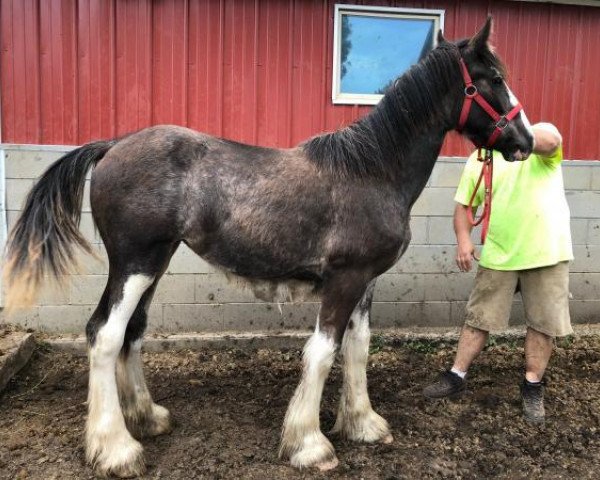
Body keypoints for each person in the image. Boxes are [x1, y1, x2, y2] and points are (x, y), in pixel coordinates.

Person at [422, 122, 573, 425]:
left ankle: (532, 386)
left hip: (547, 252)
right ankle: (456, 374)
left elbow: (553, 140)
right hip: (499, 253)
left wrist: (517, 135)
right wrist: (463, 240)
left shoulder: (536, 142)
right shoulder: (481, 156)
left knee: (542, 325)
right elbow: (465, 205)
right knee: (478, 318)